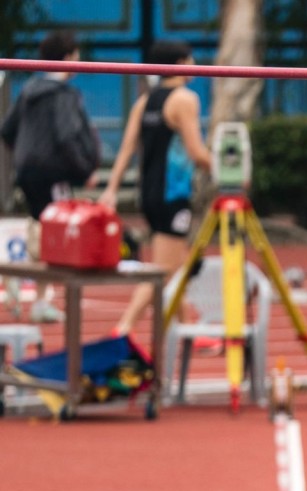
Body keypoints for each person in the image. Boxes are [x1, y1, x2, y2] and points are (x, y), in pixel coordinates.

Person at [98, 40, 211, 336]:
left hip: (149, 194)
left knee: (177, 262)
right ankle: (124, 327)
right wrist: (225, 170)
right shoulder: (185, 100)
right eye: (191, 60)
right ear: (181, 63)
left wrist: (112, 188)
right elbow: (196, 152)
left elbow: (126, 149)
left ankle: (188, 326)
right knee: (164, 270)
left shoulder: (143, 102)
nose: (195, 66)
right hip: (173, 195)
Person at [1, 29, 100, 322]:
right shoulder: (63, 95)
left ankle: (21, 280)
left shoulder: (29, 89)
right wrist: (84, 170)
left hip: (27, 171)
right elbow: (67, 136)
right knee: (54, 233)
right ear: (68, 57)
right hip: (53, 173)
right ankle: (33, 292)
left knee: (40, 225)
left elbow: (7, 130)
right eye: (77, 56)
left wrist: (25, 154)